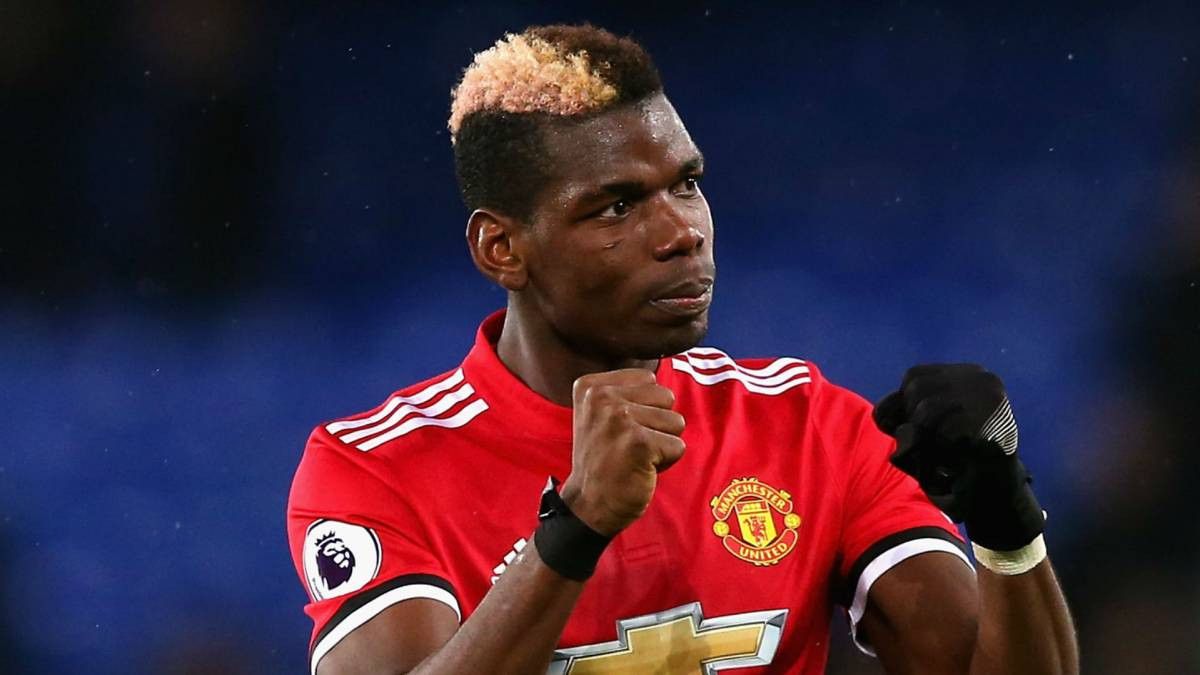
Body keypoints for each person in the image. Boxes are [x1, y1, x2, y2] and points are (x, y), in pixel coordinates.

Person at [287, 24, 1077, 675]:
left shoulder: (806, 425)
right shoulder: (374, 469)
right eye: (617, 206)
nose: (681, 233)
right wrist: (575, 528)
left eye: (687, 184)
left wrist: (1005, 522)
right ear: (503, 248)